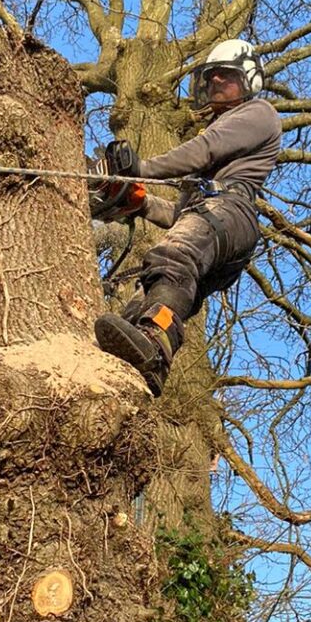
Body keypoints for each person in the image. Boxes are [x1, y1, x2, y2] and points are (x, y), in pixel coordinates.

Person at [92, 39, 280, 395]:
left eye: (226, 76)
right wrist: (141, 204)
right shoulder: (213, 169)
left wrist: (140, 170)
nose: (216, 83)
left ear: (249, 80)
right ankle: (138, 370)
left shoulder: (257, 114)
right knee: (147, 294)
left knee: (172, 256)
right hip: (215, 221)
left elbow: (203, 150)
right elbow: (182, 215)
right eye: (211, 78)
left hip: (231, 212)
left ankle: (156, 341)